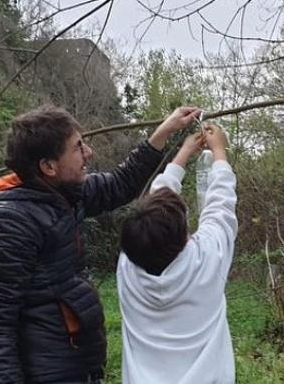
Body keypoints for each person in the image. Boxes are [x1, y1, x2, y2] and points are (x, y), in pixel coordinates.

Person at [0, 104, 200, 384]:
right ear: (48, 166)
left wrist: (165, 130)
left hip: (74, 363)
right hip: (48, 372)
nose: (89, 153)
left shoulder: (64, 192)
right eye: (77, 148)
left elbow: (121, 184)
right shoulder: (10, 223)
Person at [116, 123, 238, 384]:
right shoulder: (207, 257)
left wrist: (184, 152)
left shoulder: (128, 265)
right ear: (185, 236)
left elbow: (155, 204)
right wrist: (219, 151)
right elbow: (221, 203)